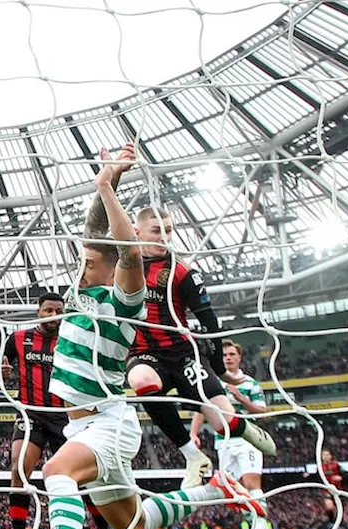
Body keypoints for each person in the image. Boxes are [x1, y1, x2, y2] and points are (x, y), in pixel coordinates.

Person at [26, 145, 260, 529]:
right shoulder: (84, 295)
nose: (82, 266)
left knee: (56, 472)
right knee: (131, 524)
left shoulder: (124, 300)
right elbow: (97, 233)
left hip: (108, 423)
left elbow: (127, 252)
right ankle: (216, 489)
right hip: (85, 425)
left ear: (113, 269)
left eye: (90, 263)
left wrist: (106, 191)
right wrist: (107, 179)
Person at [114, 205, 276, 490]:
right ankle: (193, 457)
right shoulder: (125, 266)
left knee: (225, 425)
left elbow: (209, 320)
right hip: (144, 354)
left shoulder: (182, 270)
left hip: (183, 354)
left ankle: (244, 427)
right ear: (137, 232)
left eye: (169, 231)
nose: (164, 237)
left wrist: (215, 363)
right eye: (156, 231)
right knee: (140, 380)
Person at [0, 293, 120, 529]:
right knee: (19, 470)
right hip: (31, 414)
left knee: (82, 482)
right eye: (47, 310)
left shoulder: (74, 338)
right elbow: (2, 366)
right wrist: (5, 373)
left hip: (67, 417)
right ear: (39, 312)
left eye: (58, 310)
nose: (53, 314)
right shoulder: (18, 339)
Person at [213, 340, 282, 529]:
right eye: (224, 355)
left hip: (247, 439)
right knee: (233, 492)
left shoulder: (250, 384)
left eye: (232, 354)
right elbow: (201, 410)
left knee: (253, 486)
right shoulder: (214, 383)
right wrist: (193, 434)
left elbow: (262, 412)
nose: (228, 358)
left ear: (239, 357)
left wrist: (242, 399)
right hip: (222, 441)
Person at [320, 449, 342, 525]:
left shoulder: (336, 465)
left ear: (330, 456)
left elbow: (345, 473)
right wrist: (308, 475)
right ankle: (331, 522)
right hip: (327, 490)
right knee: (329, 506)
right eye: (324, 455)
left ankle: (338, 523)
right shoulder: (320, 467)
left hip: (338, 490)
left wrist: (340, 477)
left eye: (327, 455)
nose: (325, 457)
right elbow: (316, 477)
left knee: (338, 508)